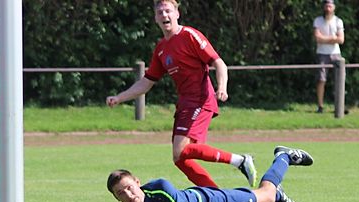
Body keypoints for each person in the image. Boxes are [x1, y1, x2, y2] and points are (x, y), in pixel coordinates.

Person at [105, 0, 257, 190]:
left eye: (168, 11)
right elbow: (146, 82)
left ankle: (240, 160)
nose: (164, 15)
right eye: (160, 12)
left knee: (181, 150)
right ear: (155, 18)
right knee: (180, 158)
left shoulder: (190, 35)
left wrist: (222, 87)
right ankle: (217, 196)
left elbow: (219, 63)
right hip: (185, 104)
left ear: (177, 14)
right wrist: (120, 97)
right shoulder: (161, 48)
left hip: (200, 100)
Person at [107, 146, 314, 202]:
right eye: (120, 193)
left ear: (137, 182)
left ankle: (283, 156)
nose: (128, 195)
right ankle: (277, 196)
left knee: (265, 193)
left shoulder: (160, 188)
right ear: (116, 199)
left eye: (129, 187)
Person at [313, 0, 345, 114]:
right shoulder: (318, 20)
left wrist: (324, 39)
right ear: (324, 7)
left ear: (334, 7)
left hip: (336, 54)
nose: (328, 8)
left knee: (339, 80)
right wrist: (332, 38)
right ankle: (320, 106)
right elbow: (317, 38)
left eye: (330, 6)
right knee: (321, 80)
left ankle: (339, 106)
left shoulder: (338, 21)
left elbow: (341, 40)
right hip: (322, 54)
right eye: (326, 6)